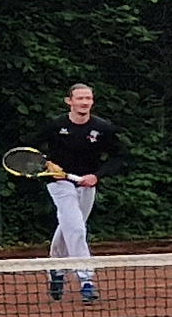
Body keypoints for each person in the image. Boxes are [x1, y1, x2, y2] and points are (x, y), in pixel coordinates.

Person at [42, 82, 122, 305]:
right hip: (59, 184)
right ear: (69, 101)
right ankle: (86, 281)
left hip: (86, 184)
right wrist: (48, 165)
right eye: (80, 98)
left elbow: (121, 157)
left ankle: (56, 268)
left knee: (69, 227)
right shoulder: (56, 125)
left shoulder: (103, 128)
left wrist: (97, 175)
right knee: (76, 228)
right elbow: (29, 147)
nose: (84, 102)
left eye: (88, 99)